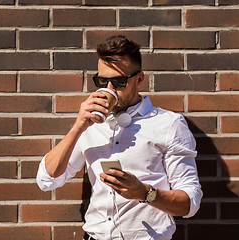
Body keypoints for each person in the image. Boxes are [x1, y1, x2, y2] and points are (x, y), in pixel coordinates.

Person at [36, 35, 202, 240]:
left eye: (119, 81)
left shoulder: (169, 124)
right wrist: (78, 127)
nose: (109, 90)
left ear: (139, 79)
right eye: (102, 81)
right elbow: (47, 180)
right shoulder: (90, 123)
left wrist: (145, 193)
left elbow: (190, 203)